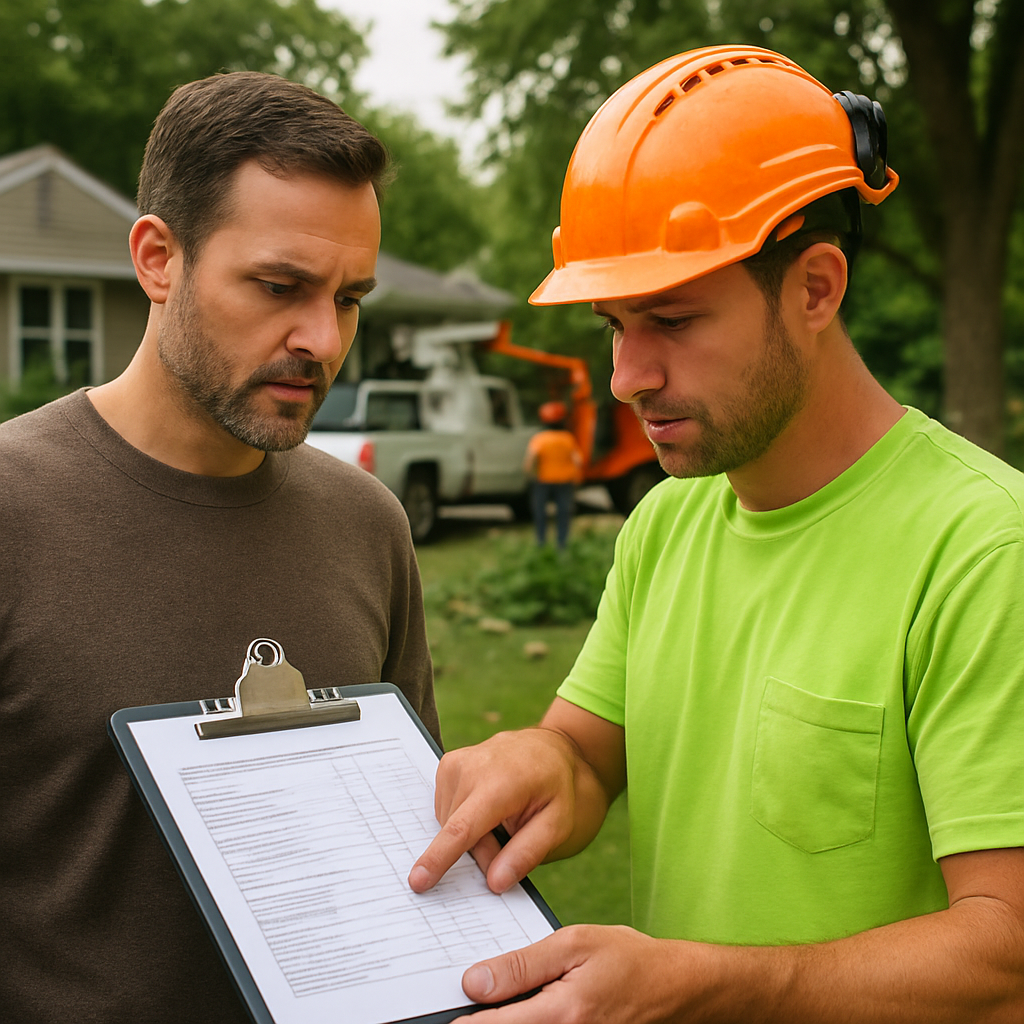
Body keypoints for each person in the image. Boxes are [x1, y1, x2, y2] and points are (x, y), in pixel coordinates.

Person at [408, 45, 1024, 1022]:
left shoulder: (984, 549)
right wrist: (538, 760)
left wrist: (714, 983)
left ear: (816, 288)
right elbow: (586, 756)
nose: (626, 376)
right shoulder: (665, 521)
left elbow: (1005, 950)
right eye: (615, 324)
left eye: (672, 319)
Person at [0, 72, 440, 1024]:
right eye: (279, 287)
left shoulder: (370, 525)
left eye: (350, 298)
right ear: (159, 259)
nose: (322, 340)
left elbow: (409, 864)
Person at [524, 400, 583, 548]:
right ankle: (562, 545)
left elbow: (529, 462)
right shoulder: (567, 438)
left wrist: (531, 476)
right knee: (563, 514)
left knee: (540, 513)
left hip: (543, 481)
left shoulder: (539, 439)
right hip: (565, 481)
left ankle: (541, 543)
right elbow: (578, 460)